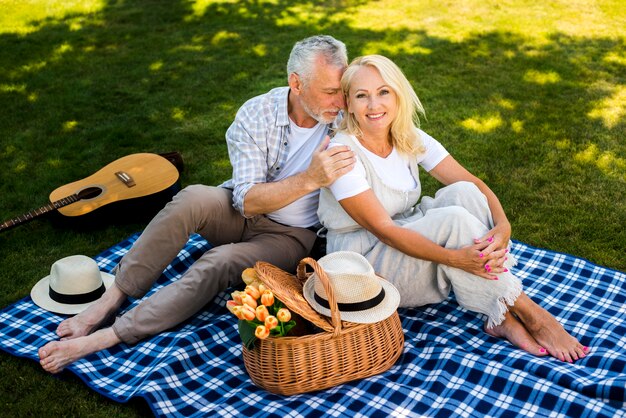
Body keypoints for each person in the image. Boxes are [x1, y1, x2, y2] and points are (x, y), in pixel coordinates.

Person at [38, 35, 355, 373]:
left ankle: (112, 334)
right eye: (330, 91)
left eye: (343, 89)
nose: (340, 100)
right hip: (244, 211)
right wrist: (309, 179)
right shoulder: (258, 113)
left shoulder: (347, 116)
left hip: (289, 237)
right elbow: (246, 201)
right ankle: (110, 300)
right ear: (296, 83)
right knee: (191, 197)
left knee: (219, 260)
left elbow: (391, 120)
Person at [317, 54, 589, 362]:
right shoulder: (343, 152)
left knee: (465, 194)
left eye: (383, 92)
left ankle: (500, 312)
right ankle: (531, 313)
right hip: (365, 265)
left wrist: (503, 226)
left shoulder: (406, 135)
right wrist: (455, 259)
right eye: (362, 96)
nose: (375, 105)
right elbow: (386, 230)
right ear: (349, 104)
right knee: (453, 220)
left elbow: (473, 183)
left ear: (397, 95)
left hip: (402, 235)